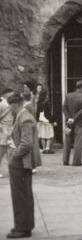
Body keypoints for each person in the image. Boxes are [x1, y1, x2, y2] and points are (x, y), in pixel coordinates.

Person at [6, 92, 42, 239]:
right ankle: (25, 225)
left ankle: (22, 227)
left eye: (11, 107)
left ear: (16, 104)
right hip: (22, 161)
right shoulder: (24, 116)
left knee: (20, 195)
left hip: (21, 162)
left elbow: (26, 144)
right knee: (24, 194)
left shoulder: (24, 117)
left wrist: (14, 155)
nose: (11, 110)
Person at [62, 80, 82, 166]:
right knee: (78, 143)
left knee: (67, 142)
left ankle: (65, 161)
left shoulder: (68, 95)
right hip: (79, 123)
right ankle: (76, 161)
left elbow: (64, 108)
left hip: (68, 122)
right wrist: (74, 118)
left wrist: (69, 117)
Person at [0, 89, 14, 178]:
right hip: (3, 130)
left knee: (11, 151)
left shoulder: (11, 104)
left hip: (11, 129)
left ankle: (13, 170)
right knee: (1, 151)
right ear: (6, 94)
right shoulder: (2, 104)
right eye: (11, 94)